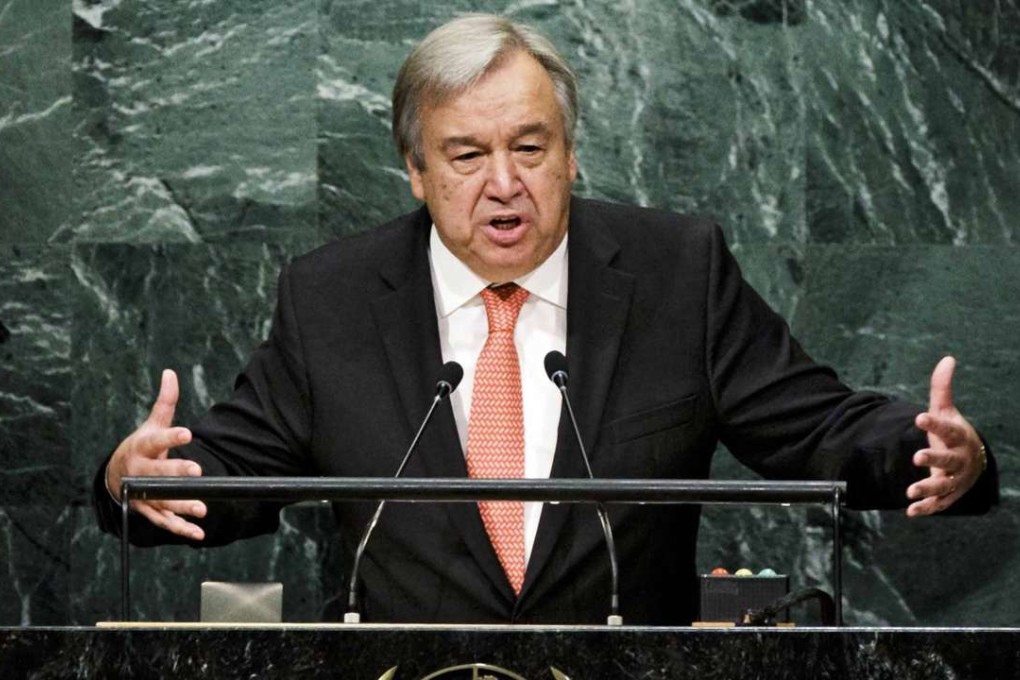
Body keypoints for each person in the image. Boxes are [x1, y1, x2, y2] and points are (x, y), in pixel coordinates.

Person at [95, 14, 996, 625]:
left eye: (530, 147)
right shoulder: (332, 296)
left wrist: (928, 450)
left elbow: (821, 427)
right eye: (466, 154)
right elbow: (234, 469)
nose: (503, 182)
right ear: (413, 170)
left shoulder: (675, 274)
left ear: (570, 154)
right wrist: (137, 480)